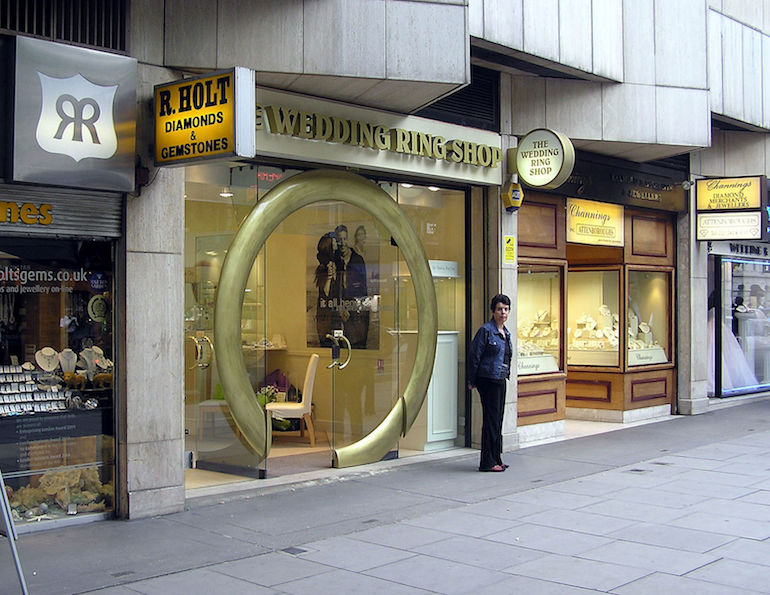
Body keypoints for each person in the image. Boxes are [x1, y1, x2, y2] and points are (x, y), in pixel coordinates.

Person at [467, 294, 512, 472]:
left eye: (506, 309)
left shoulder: (505, 333)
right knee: (491, 420)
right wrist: (472, 379)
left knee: (498, 420)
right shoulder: (486, 331)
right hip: (488, 380)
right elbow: (474, 355)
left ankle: (497, 458)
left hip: (501, 379)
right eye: (500, 309)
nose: (503, 313)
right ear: (493, 311)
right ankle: (487, 461)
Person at [335, 224, 369, 348]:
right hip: (340, 313)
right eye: (340, 240)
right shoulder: (335, 261)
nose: (342, 243)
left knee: (357, 345)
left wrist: (351, 307)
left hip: (356, 314)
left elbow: (362, 289)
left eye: (345, 239)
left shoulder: (357, 260)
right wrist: (340, 307)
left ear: (348, 239)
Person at [314, 232, 341, 347]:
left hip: (333, 315)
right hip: (326, 316)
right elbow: (325, 292)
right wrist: (330, 277)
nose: (337, 244)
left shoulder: (336, 264)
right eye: (334, 242)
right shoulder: (324, 267)